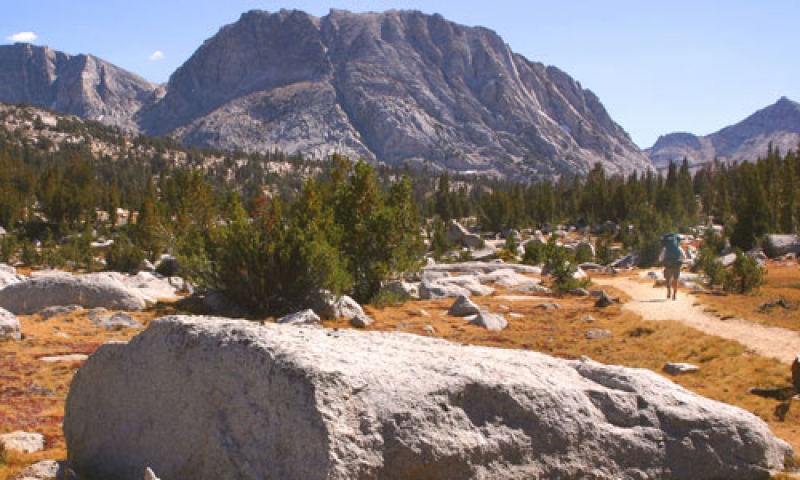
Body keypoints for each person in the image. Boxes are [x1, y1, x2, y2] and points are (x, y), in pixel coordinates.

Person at [660, 232, 686, 300]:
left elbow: (660, 258)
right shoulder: (679, 248)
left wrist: (663, 261)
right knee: (676, 280)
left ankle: (669, 291)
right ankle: (674, 294)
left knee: (668, 279)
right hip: (677, 265)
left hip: (668, 265)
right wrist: (680, 260)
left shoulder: (665, 248)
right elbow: (684, 257)